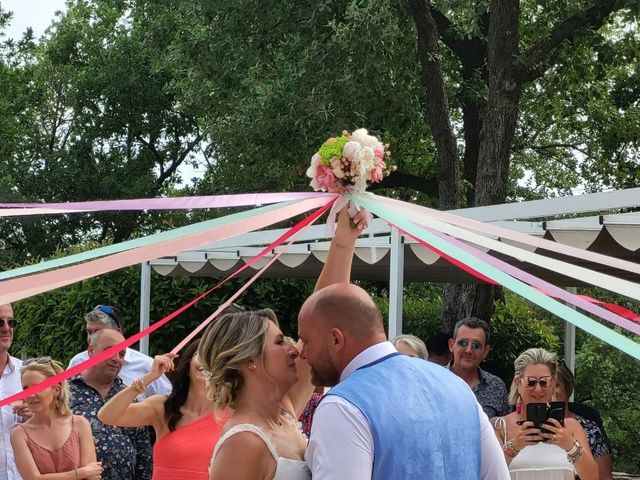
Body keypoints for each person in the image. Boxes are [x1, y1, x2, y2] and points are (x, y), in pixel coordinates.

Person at [298, 207, 510, 479]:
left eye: (306, 341)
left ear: (336, 339)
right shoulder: (457, 388)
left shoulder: (343, 406)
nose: (301, 353)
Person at [199, 309, 312, 480]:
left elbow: (325, 309)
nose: (294, 351)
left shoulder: (285, 416)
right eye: (280, 342)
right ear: (250, 360)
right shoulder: (243, 443)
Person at [97, 339, 229, 480]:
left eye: (213, 356)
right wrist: (149, 377)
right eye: (201, 354)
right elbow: (106, 416)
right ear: (188, 365)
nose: (207, 360)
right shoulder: (163, 407)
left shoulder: (232, 414)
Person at [493, 347, 597, 479]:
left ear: (552, 383)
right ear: (518, 383)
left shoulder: (571, 427)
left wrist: (570, 446)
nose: (538, 389)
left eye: (544, 382)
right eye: (531, 382)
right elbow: (487, 474)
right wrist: (513, 447)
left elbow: (593, 476)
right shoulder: (501, 427)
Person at [69, 329, 152, 480]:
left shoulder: (128, 395)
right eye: (111, 351)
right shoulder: (67, 393)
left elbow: (143, 453)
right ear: (91, 351)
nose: (117, 359)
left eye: (121, 354)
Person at [10, 357, 103, 480]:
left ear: (56, 390)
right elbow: (32, 478)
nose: (31, 394)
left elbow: (91, 476)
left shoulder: (79, 423)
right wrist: (79, 473)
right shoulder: (19, 434)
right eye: (25, 389)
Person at [68, 305, 171, 399]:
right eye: (89, 332)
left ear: (118, 332)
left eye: (98, 332)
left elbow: (170, 403)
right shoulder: (78, 361)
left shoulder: (147, 365)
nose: (91, 338)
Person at [556, 363, 613, 480]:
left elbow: (604, 477)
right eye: (545, 384)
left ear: (568, 387)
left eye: (555, 385)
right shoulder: (529, 427)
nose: (550, 391)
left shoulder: (590, 429)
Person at [448, 316, 511, 418]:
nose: (468, 350)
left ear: (485, 352)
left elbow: (504, 428)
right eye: (463, 343)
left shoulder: (496, 386)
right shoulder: (434, 380)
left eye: (476, 345)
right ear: (451, 345)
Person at [1, 303, 28, 480]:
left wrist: (35, 415)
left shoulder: (27, 372)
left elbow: (52, 422)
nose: (6, 328)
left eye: (11, 322)